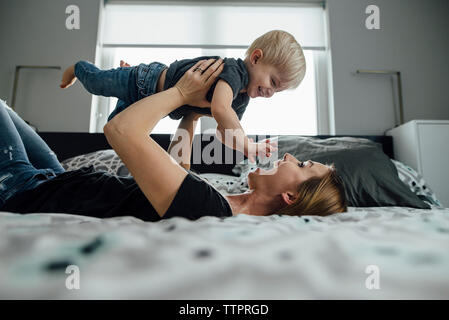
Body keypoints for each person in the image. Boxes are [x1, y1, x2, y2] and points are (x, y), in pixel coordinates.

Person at [0, 59, 347, 221]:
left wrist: (181, 91)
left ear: (290, 196)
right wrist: (193, 113)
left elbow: (120, 130)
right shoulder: (223, 199)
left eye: (301, 165)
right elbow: (177, 166)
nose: (289, 158)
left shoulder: (211, 209)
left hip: (28, 191)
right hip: (61, 178)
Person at [60, 30, 306, 163]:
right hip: (145, 80)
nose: (270, 93)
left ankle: (125, 75)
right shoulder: (234, 71)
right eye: (272, 82)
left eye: (278, 91)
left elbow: (223, 131)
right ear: (255, 58)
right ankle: (79, 67)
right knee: (95, 84)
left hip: (151, 103)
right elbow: (220, 109)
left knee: (112, 131)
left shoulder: (241, 100)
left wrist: (242, 149)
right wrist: (248, 143)